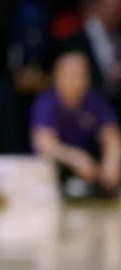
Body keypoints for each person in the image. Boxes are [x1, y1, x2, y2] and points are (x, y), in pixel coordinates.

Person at [30, 52, 121, 198]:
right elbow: (45, 144)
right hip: (52, 175)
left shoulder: (95, 102)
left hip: (90, 177)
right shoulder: (46, 102)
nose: (75, 81)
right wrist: (76, 159)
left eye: (80, 75)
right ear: (58, 76)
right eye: (69, 75)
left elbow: (111, 136)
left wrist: (112, 162)